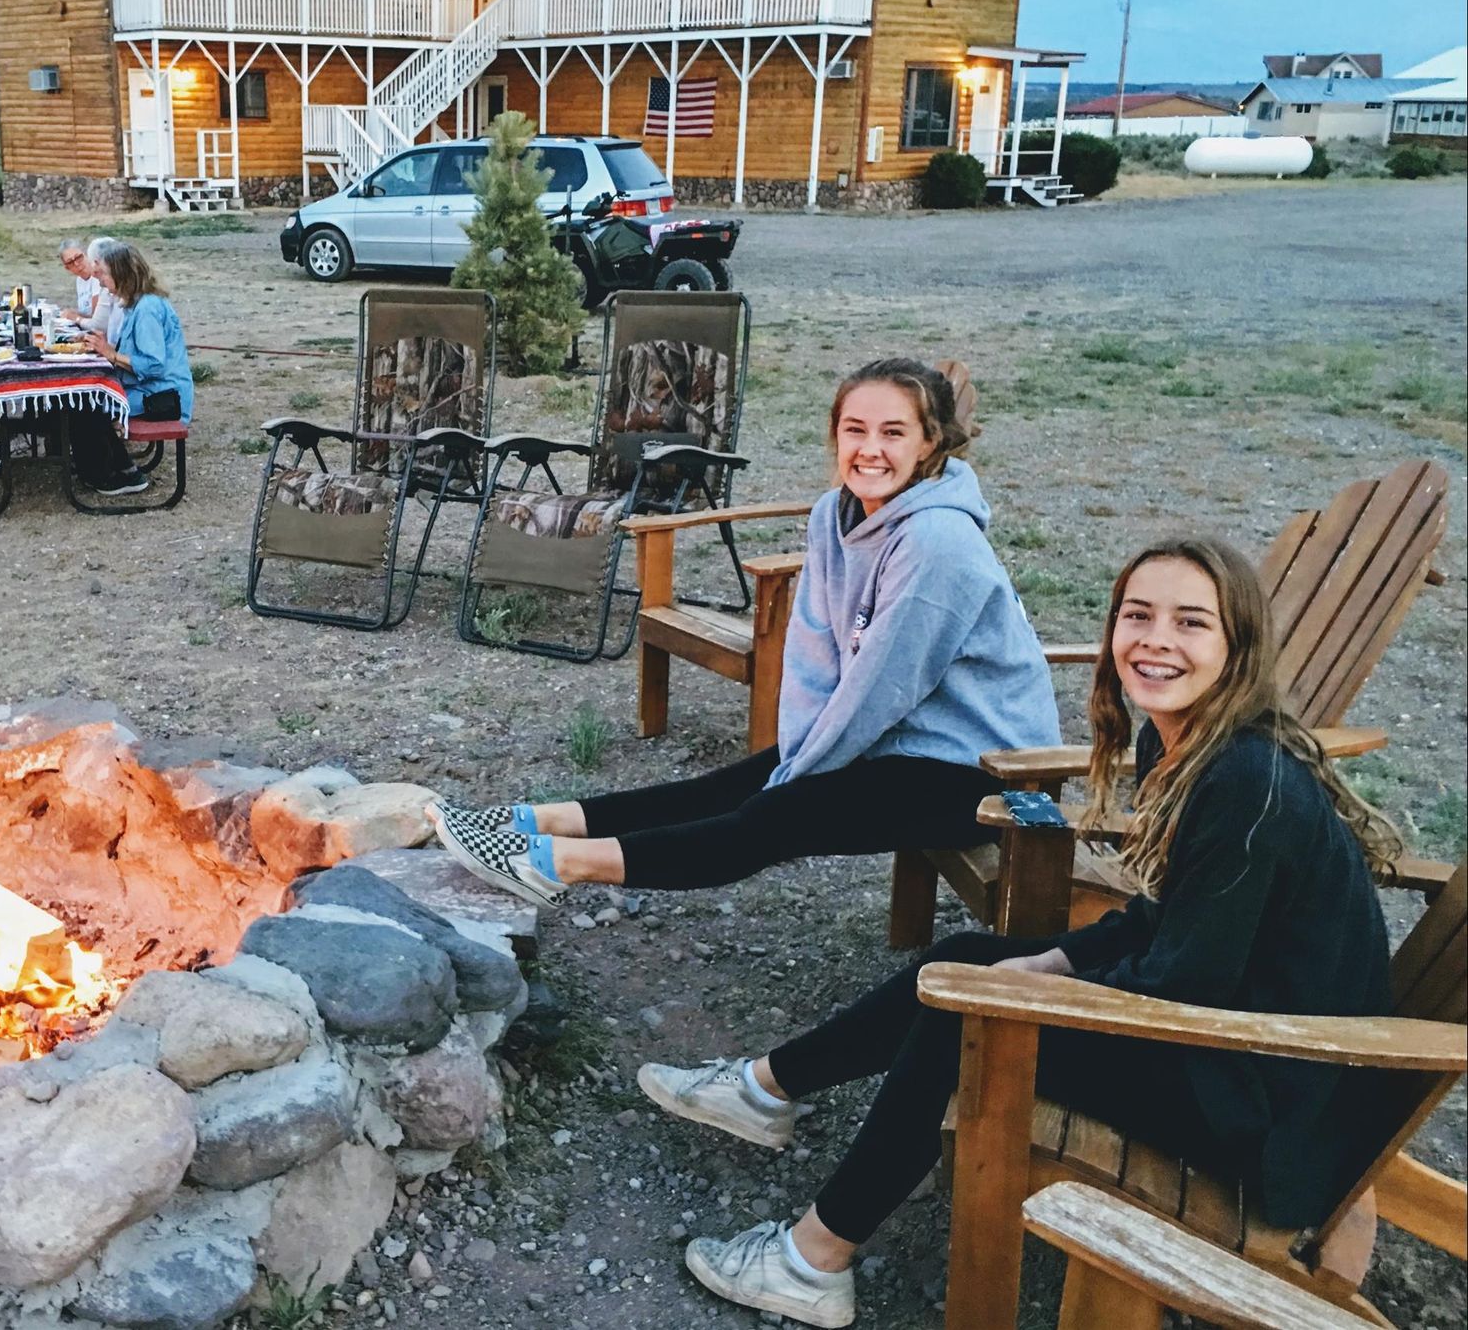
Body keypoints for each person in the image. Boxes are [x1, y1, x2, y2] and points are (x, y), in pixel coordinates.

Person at [642, 537, 1402, 1328]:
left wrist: (1028, 997)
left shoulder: (1247, 784)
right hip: (1240, 1044)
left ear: (1236, 645)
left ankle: (812, 1260)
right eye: (1137, 615)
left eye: (1191, 622)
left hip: (1266, 1108)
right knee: (968, 960)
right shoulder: (1185, 742)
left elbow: (1184, 985)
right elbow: (1169, 920)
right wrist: (1051, 959)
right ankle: (766, 1088)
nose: (1156, 641)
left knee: (965, 1019)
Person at [430, 358, 1059, 906]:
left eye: (893, 433)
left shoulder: (938, 542)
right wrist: (795, 753)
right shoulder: (834, 515)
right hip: (902, 742)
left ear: (929, 443)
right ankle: (532, 823)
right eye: (854, 430)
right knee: (731, 785)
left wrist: (798, 773)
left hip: (983, 769)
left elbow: (881, 687)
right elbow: (814, 650)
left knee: (778, 813)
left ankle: (556, 865)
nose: (870, 449)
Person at [66, 240, 193, 495]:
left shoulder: (147, 309)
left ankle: (109, 475)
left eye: (102, 273)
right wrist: (99, 344)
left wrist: (111, 354)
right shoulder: (135, 304)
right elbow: (132, 352)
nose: (99, 281)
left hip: (162, 396)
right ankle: (119, 467)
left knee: (86, 404)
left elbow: (154, 365)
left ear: (121, 273)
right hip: (149, 389)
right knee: (82, 398)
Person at [57, 237, 100, 322]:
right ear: (67, 268)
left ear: (86, 254)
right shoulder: (79, 280)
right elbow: (86, 312)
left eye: (79, 257)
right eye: (70, 262)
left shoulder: (97, 277)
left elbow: (96, 317)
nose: (76, 264)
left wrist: (74, 316)